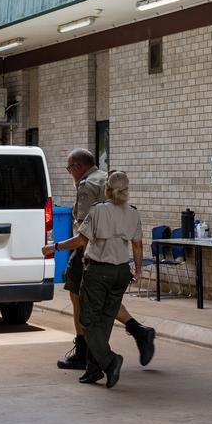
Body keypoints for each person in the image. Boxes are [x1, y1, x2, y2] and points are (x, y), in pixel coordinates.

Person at [57, 148, 154, 371]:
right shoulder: (104, 177)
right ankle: (139, 332)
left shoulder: (87, 185)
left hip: (91, 251)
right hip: (117, 255)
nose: (70, 173)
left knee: (79, 297)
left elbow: (83, 231)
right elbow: (136, 239)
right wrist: (137, 270)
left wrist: (57, 247)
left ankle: (85, 353)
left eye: (69, 168)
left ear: (77, 166)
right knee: (104, 300)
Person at [43, 171, 142, 388]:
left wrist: (55, 246)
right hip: (121, 272)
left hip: (98, 272)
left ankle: (109, 360)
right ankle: (93, 369)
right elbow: (137, 244)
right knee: (105, 321)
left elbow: (80, 239)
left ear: (107, 189)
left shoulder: (98, 211)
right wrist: (138, 270)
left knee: (87, 321)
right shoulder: (133, 213)